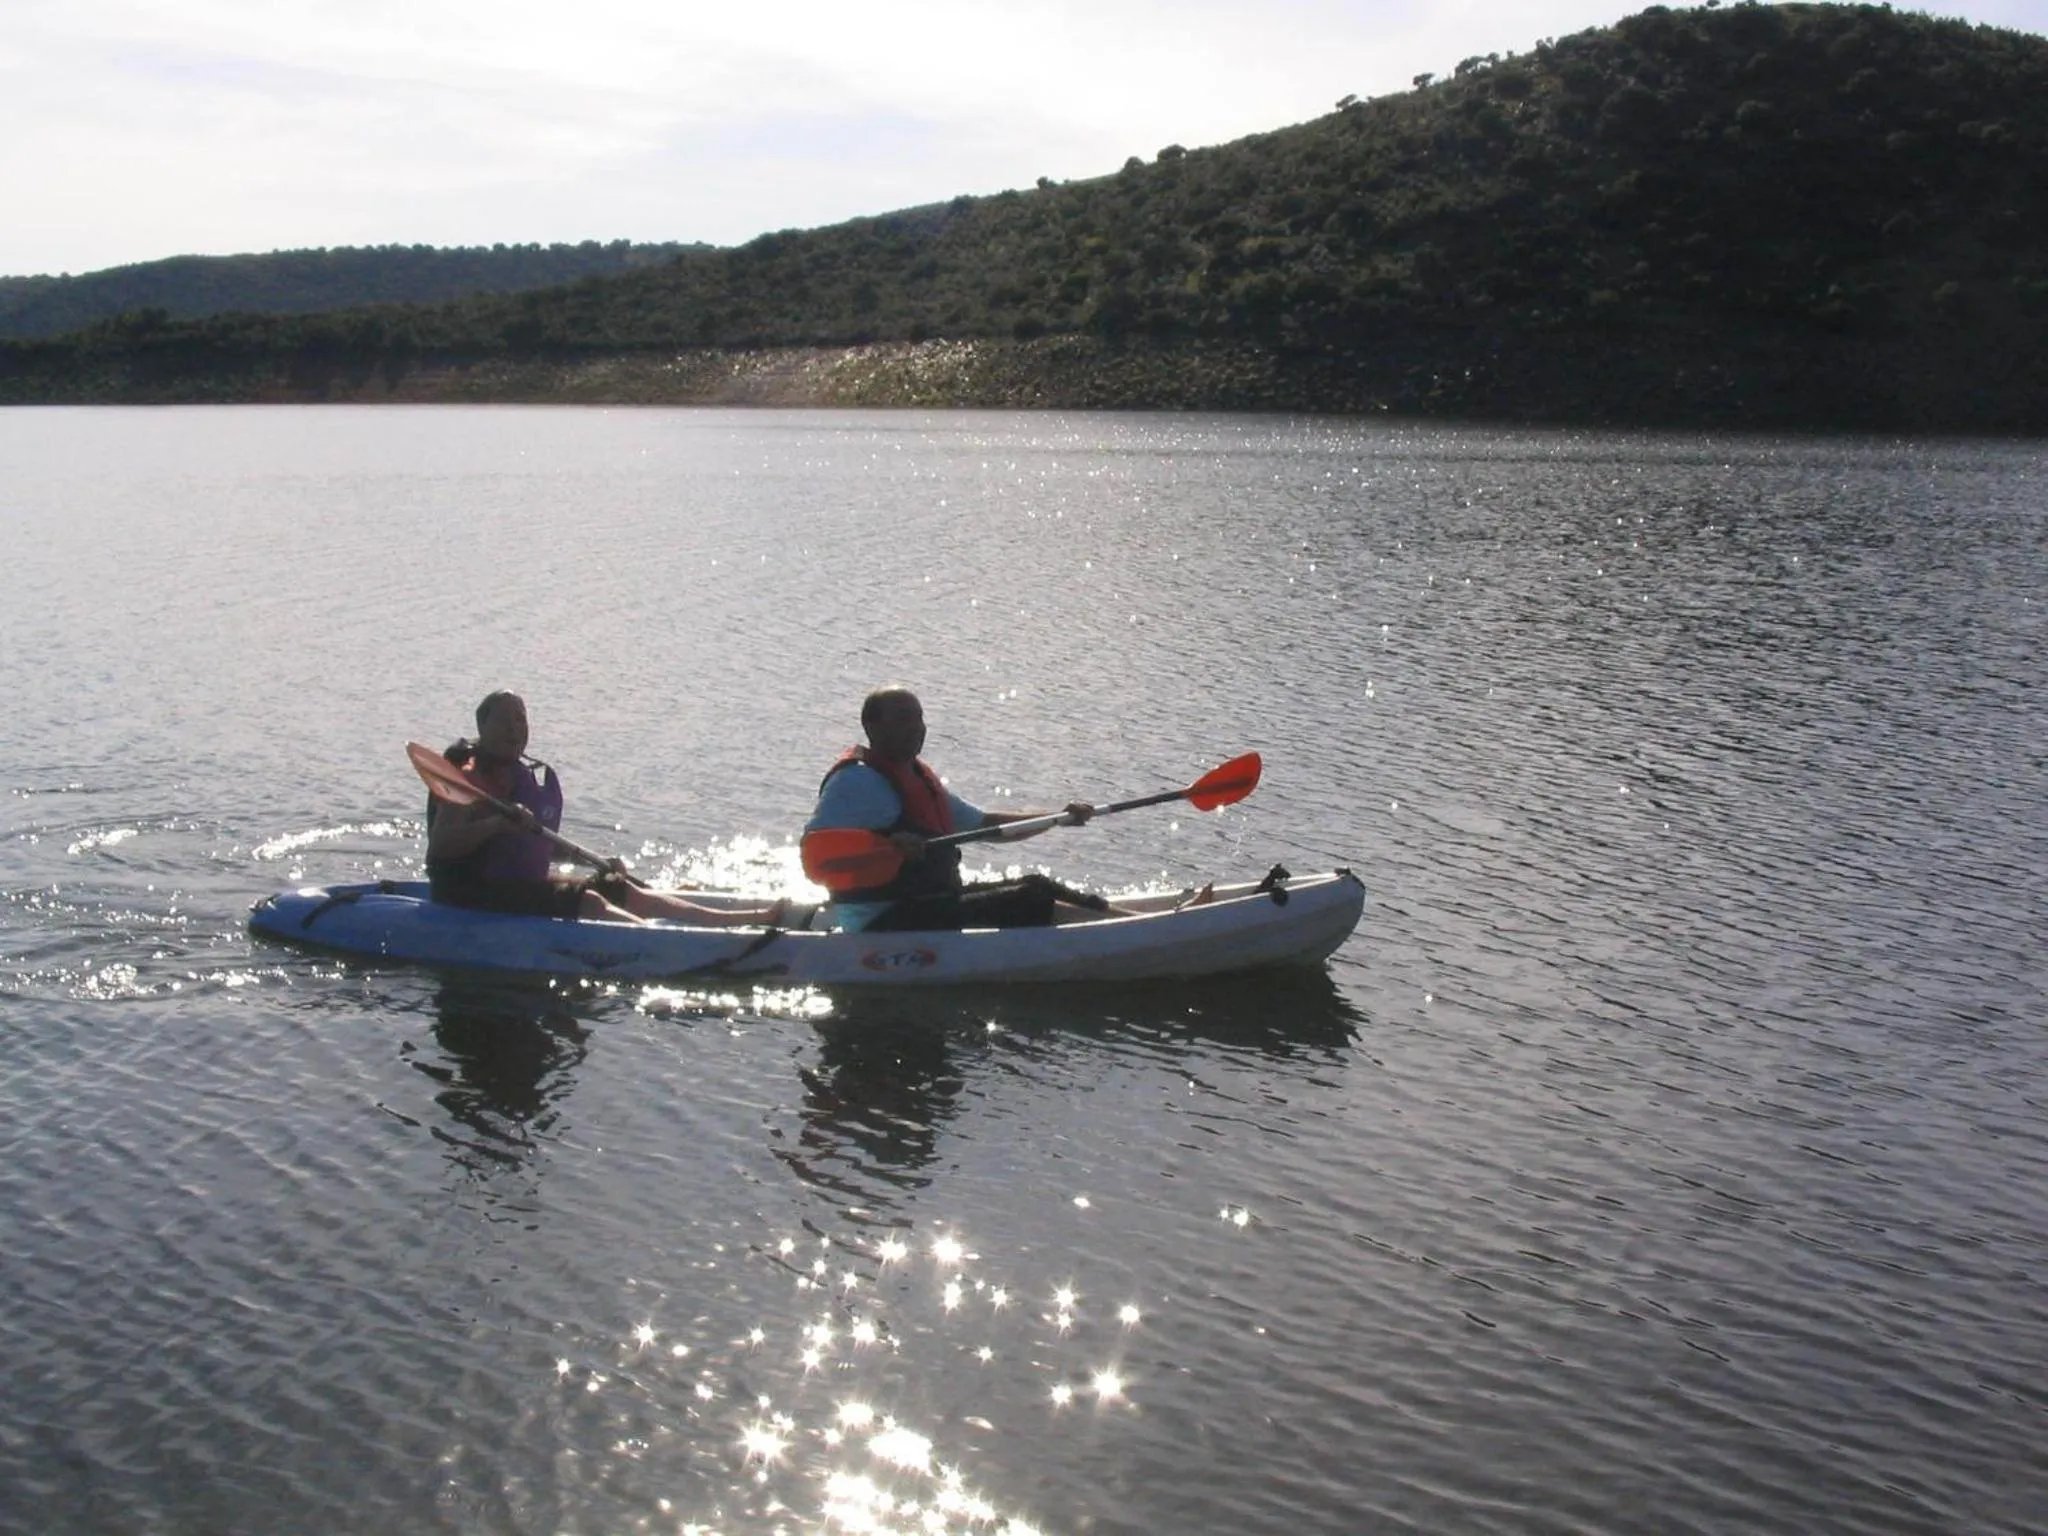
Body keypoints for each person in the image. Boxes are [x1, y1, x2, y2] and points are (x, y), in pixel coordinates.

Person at [426, 690, 793, 926]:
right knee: (590, 901)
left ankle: (750, 919)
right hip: (474, 895)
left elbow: (536, 845)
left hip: (518, 886)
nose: (514, 727)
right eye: (503, 719)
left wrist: (594, 861)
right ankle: (663, 943)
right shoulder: (467, 778)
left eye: (520, 718)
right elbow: (441, 845)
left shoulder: (523, 777)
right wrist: (495, 824)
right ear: (482, 727)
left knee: (620, 888)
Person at [805, 686, 1134, 932]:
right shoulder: (856, 782)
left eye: (919, 717)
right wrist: (889, 848)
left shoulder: (914, 776)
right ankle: (1131, 933)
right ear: (873, 728)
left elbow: (986, 823)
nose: (917, 727)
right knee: (1027, 899)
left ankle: (1136, 922)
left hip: (929, 904)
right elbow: (817, 856)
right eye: (904, 718)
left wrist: (1057, 818)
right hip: (880, 921)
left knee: (1037, 883)